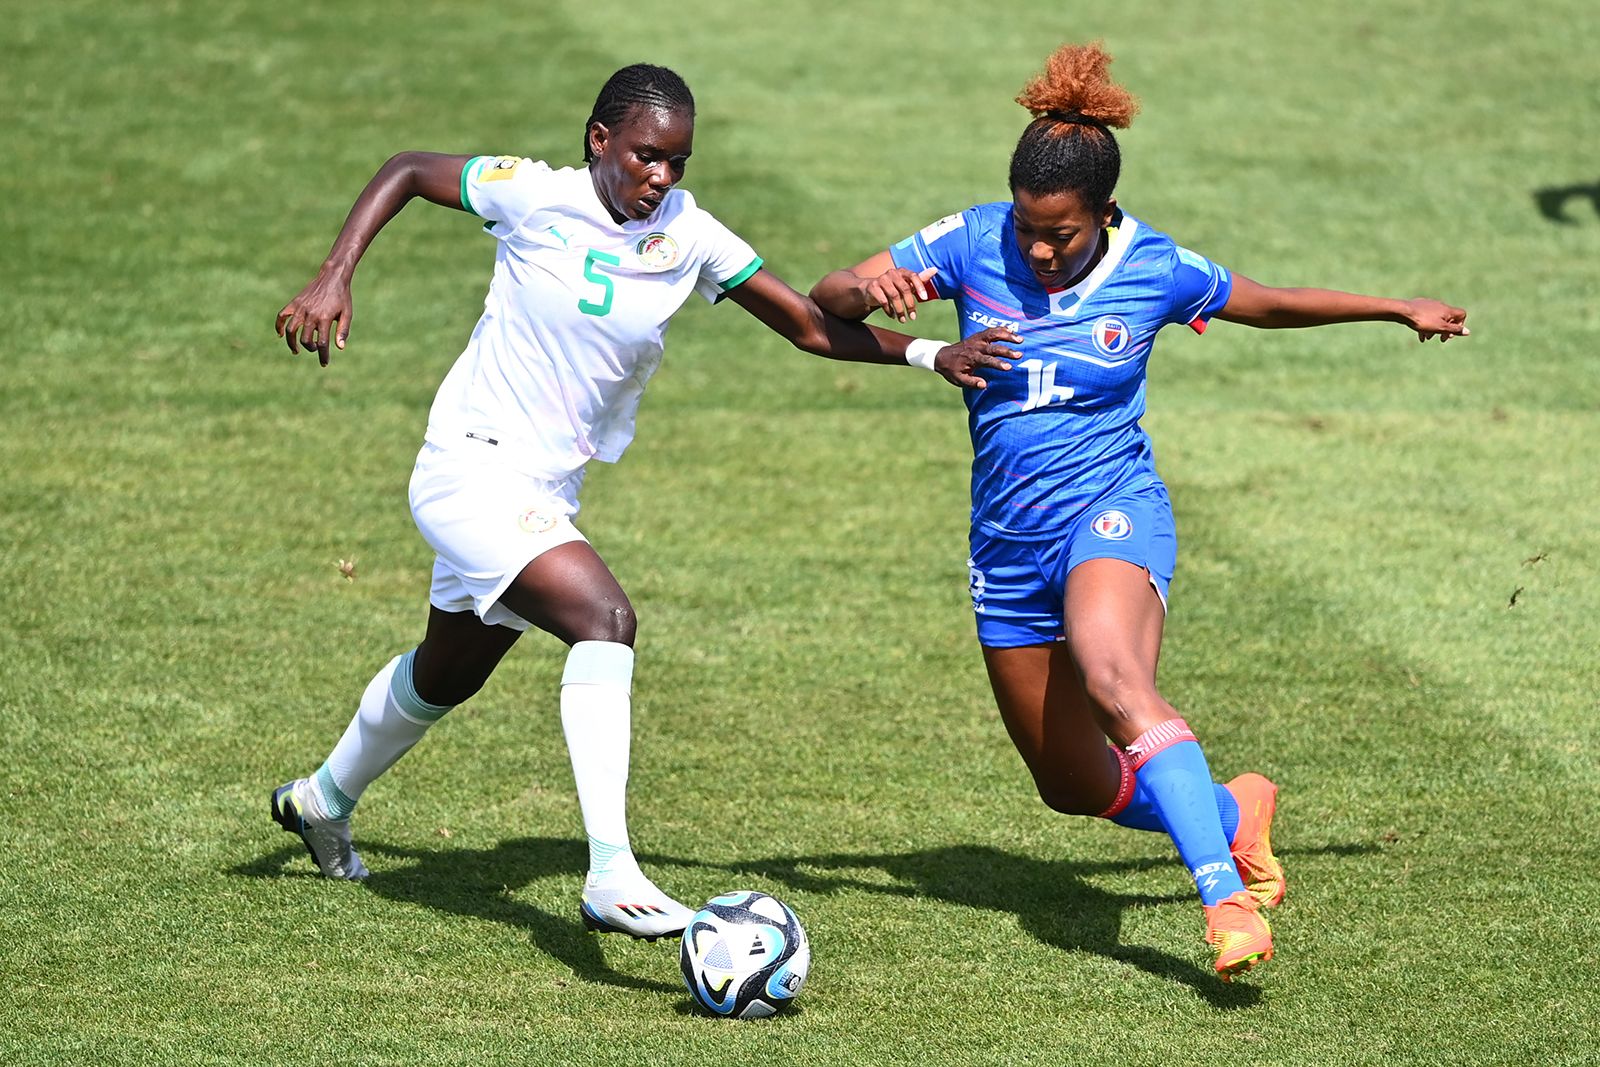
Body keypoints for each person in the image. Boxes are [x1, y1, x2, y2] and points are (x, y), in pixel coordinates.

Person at [270, 63, 1013, 940]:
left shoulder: (688, 233)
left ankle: (320, 798)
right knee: (605, 620)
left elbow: (807, 324)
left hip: (543, 487)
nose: (661, 177)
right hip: (468, 470)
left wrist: (931, 356)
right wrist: (334, 273)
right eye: (647, 156)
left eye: (678, 162)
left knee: (448, 671)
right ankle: (610, 872)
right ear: (600, 141)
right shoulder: (532, 194)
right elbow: (404, 167)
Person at [810, 43, 1468, 979]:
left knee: (1116, 676)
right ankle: (1234, 811)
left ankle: (1225, 899)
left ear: (1102, 214)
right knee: (1070, 784)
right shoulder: (966, 240)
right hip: (1006, 545)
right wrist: (875, 292)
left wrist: (1394, 306)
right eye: (1030, 230)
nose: (1039, 250)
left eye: (1062, 235)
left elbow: (1267, 302)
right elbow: (827, 298)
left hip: (1111, 513)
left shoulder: (1152, 263)